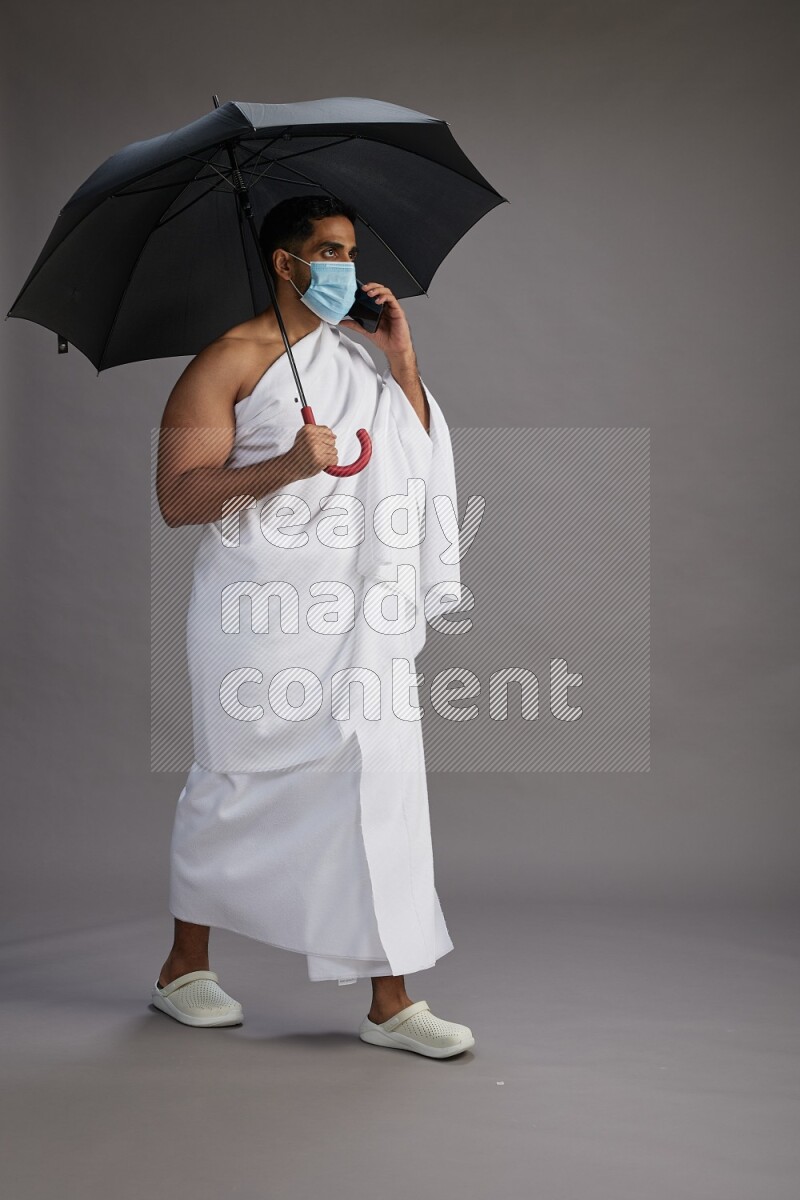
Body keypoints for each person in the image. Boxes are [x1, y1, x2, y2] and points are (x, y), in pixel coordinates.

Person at [151, 195, 474, 1058]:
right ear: (285, 263)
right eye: (327, 251)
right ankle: (183, 969)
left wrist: (401, 363)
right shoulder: (225, 363)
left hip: (357, 613)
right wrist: (291, 463)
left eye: (349, 251)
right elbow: (179, 498)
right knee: (234, 784)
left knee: (382, 779)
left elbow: (406, 457)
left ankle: (391, 1001)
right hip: (259, 614)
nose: (345, 267)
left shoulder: (350, 360)